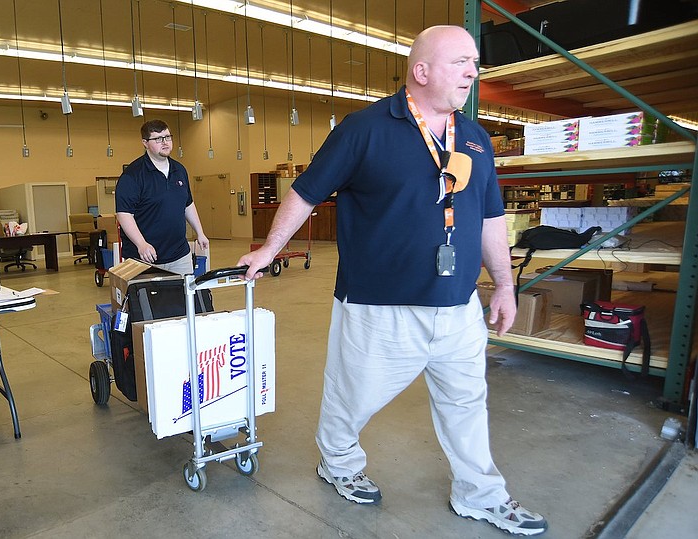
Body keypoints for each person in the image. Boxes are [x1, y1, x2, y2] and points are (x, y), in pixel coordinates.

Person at [237, 26, 547, 536]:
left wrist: (506, 285)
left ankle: (481, 494)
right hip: (380, 307)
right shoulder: (366, 129)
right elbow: (307, 192)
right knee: (351, 398)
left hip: (457, 306)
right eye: (459, 62)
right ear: (421, 71)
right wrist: (269, 248)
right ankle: (337, 464)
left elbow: (490, 216)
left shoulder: (475, 137)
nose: (472, 71)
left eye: (474, 62)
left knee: (467, 406)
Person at [115, 119, 209, 275]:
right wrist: (141, 244)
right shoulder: (132, 175)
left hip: (179, 255)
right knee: (147, 299)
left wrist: (200, 232)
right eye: (158, 139)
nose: (165, 143)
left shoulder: (179, 170)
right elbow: (124, 214)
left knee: (183, 298)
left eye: (167, 137)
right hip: (145, 258)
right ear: (145, 143)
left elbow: (188, 204)